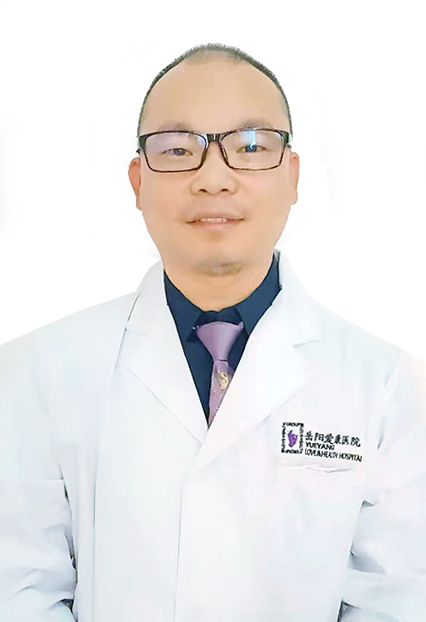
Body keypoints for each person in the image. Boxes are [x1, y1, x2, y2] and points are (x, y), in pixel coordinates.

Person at [0, 42, 425, 622]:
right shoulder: (32, 374)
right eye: (178, 150)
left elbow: (399, 599)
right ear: (138, 180)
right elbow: (18, 591)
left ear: (292, 175)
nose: (214, 178)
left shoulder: (389, 387)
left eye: (250, 147)